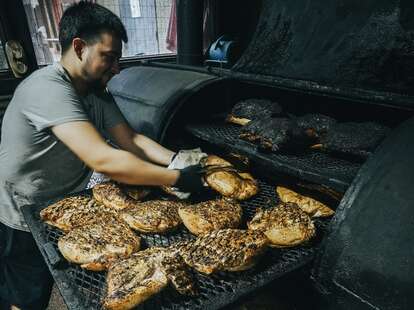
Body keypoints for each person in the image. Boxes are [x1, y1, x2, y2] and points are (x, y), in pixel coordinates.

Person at [0, 2, 204, 309]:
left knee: (77, 270)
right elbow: (103, 159)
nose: (116, 68)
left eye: (118, 59)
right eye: (108, 57)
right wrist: (175, 178)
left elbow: (132, 139)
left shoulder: (95, 92)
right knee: (27, 295)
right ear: (80, 47)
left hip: (68, 203)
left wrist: (179, 160)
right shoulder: (47, 88)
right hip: (23, 211)